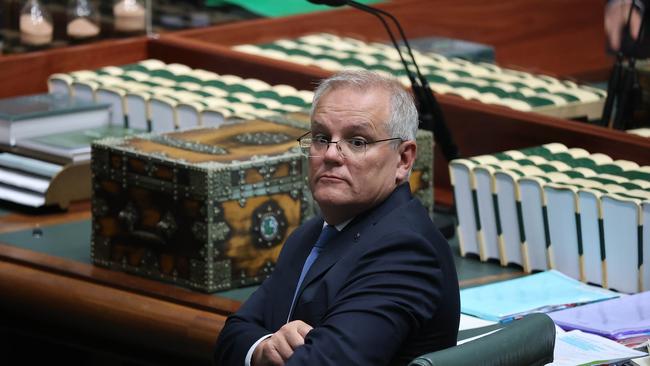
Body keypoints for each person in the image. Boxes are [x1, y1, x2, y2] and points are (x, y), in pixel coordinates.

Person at [213, 70, 460, 366]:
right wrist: (265, 348)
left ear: (403, 159)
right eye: (321, 138)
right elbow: (232, 335)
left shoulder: (405, 252)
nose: (330, 154)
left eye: (357, 142)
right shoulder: (311, 234)